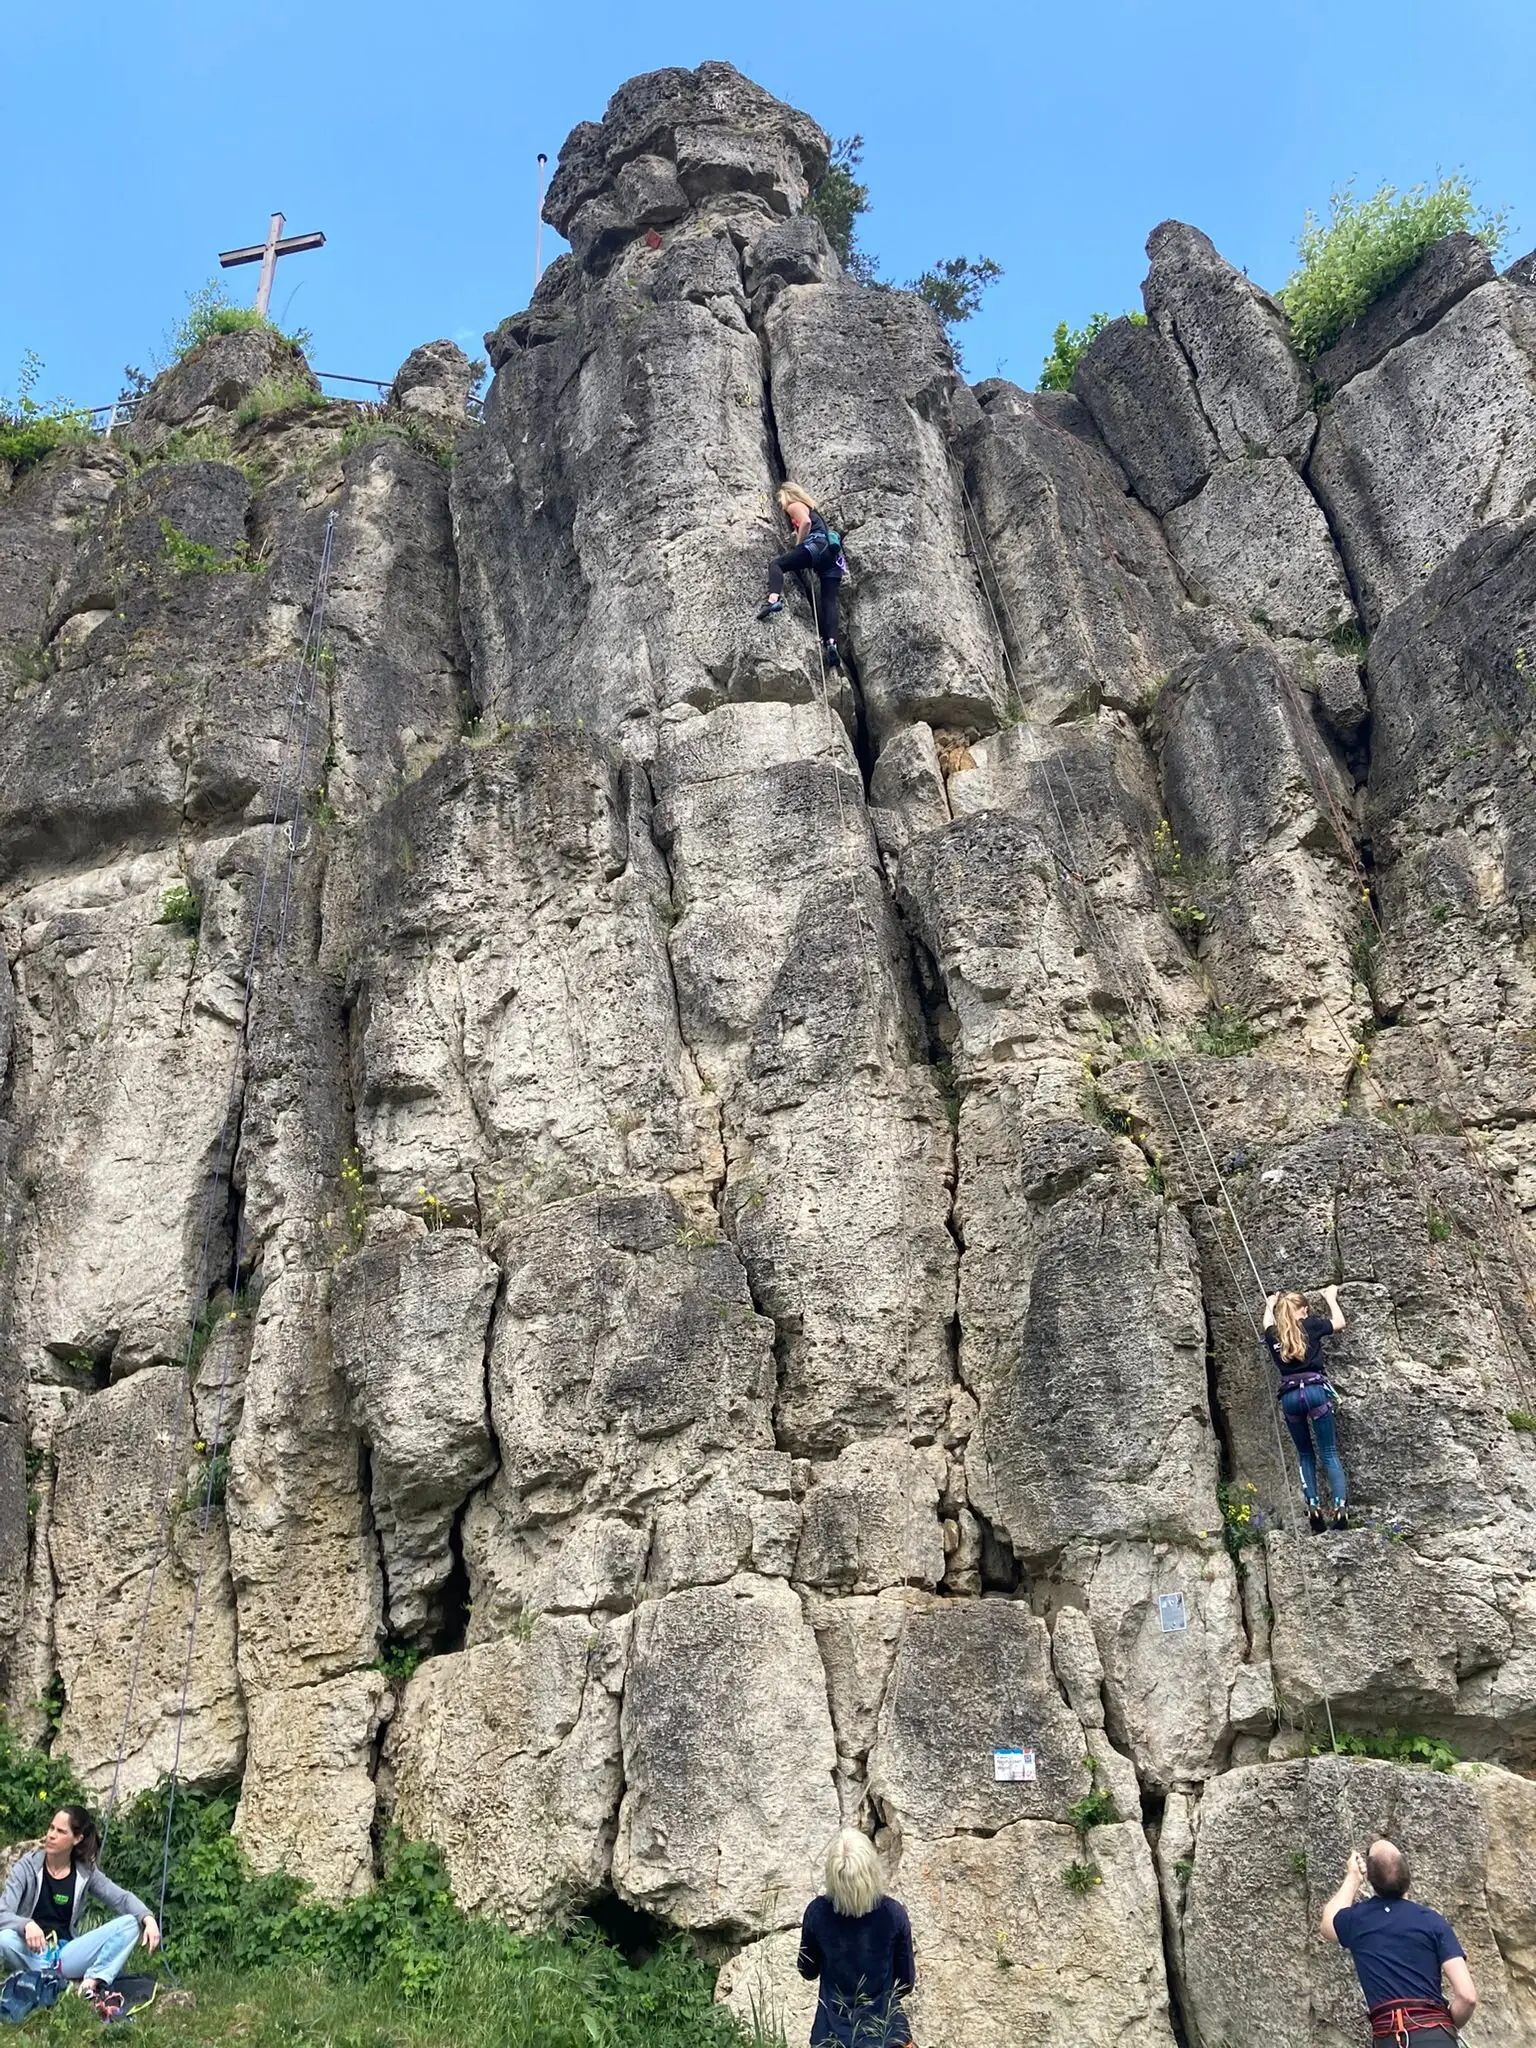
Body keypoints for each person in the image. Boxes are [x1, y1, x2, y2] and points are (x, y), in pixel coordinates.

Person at [0, 1804, 159, 2013]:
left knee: (130, 1924)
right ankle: (56, 1981)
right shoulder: (27, 1867)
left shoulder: (85, 1872)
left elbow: (121, 1898)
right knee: (4, 1938)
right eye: (51, 1828)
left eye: (60, 1831)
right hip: (33, 1951)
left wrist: (148, 1918)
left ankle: (91, 1982)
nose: (51, 1835)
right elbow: (3, 1912)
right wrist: (26, 1924)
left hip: (66, 1954)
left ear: (77, 1839)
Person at [1321, 1840, 1477, 2046]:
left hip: (1390, 2039)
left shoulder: (1357, 1920)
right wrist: (1443, 2027)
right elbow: (1467, 1996)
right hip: (1437, 2037)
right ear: (1407, 1875)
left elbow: (1328, 1924)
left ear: (1371, 1878)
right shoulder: (1432, 1921)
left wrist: (1352, 1878)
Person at [796, 1827, 914, 2046]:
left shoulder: (817, 1912)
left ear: (832, 1874)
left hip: (831, 2038)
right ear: (872, 1870)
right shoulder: (893, 1914)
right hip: (886, 2037)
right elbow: (905, 1983)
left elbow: (807, 1971)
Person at [1262, 1283, 1349, 1532]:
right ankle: (1340, 1507)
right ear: (1302, 1310)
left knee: (1305, 1454)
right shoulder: (1311, 1326)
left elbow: (1266, 1323)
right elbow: (1339, 1322)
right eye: (1305, 1309)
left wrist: (1270, 1303)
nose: (1307, 1313)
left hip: (1290, 1396)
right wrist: (1330, 1298)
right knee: (1328, 1451)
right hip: (1314, 1391)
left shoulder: (1274, 1334)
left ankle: (1313, 1505)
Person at [758, 482, 848, 671]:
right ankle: (831, 644)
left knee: (777, 565)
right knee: (828, 601)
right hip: (832, 558)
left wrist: (799, 545)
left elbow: (805, 523)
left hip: (816, 547)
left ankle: (773, 599)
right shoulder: (815, 512)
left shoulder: (795, 505)